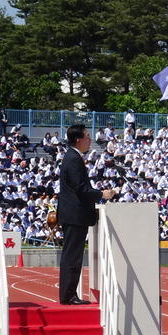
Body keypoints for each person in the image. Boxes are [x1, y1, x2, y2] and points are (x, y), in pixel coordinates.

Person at [57, 124, 117, 305]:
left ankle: (68, 294)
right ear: (78, 140)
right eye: (87, 137)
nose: (90, 140)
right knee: (72, 256)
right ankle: (68, 295)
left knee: (72, 255)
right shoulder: (74, 159)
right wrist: (101, 194)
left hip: (74, 214)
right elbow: (81, 188)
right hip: (75, 215)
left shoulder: (72, 157)